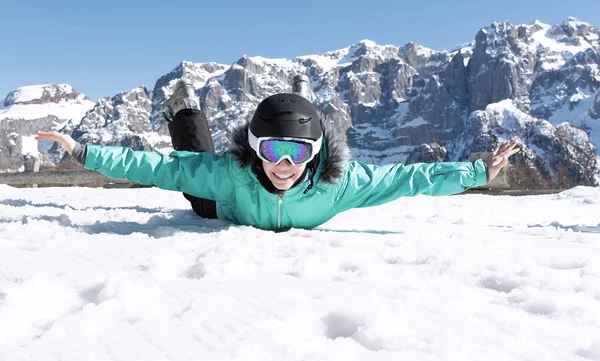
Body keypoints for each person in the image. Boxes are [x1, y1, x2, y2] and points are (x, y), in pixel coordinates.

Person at [35, 78, 520, 231]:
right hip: (220, 207)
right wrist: (84, 151)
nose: (284, 165)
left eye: (297, 152)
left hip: (244, 197)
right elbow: (157, 166)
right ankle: (184, 109)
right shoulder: (232, 174)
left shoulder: (340, 184)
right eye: (272, 150)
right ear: (254, 148)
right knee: (190, 164)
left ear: (316, 153)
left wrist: (476, 171)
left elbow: (406, 178)